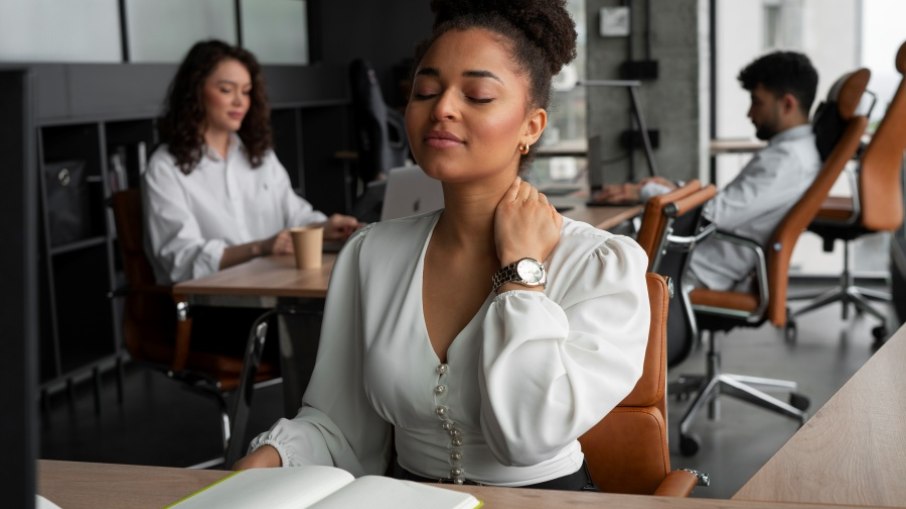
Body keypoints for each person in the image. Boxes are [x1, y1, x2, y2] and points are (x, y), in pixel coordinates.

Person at [234, 0, 650, 491]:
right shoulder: (372, 253)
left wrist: (522, 272)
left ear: (531, 126)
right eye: (425, 90)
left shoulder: (599, 263)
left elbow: (528, 438)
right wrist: (263, 461)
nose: (443, 109)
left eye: (477, 95)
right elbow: (338, 427)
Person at [595, 51, 821, 291]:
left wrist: (647, 192)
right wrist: (676, 189)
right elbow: (730, 205)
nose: (749, 113)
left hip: (694, 267)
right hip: (695, 257)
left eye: (757, 102)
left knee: (586, 258)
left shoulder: (786, 160)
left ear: (787, 104)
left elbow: (710, 215)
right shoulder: (795, 152)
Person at [143, 39, 361, 285]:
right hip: (215, 300)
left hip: (276, 284)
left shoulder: (259, 155)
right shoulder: (165, 167)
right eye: (227, 90)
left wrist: (325, 227)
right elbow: (179, 258)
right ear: (194, 92)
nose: (240, 102)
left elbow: (294, 216)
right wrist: (261, 247)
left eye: (246, 91)